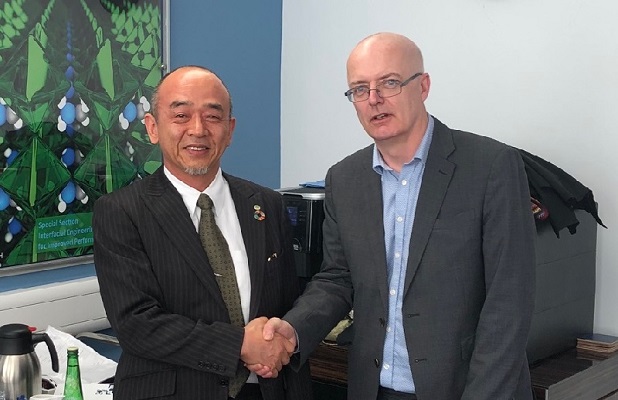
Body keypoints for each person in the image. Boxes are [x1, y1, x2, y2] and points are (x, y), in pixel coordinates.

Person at [257, 32, 537, 400]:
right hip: (374, 388)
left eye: (388, 83)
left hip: (465, 388)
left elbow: (509, 302)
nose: (373, 100)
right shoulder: (344, 178)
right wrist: (293, 331)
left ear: (423, 86)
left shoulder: (491, 166)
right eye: (359, 89)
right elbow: (337, 279)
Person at [92, 65, 312, 400]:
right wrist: (240, 344)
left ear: (229, 129)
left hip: (266, 388)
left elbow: (287, 300)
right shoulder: (121, 211)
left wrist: (280, 340)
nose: (198, 129)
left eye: (212, 117)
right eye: (181, 115)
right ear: (153, 127)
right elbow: (137, 324)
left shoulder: (267, 203)